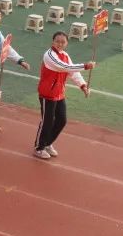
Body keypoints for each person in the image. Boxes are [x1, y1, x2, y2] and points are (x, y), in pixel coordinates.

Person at [35, 32, 94, 160]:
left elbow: (72, 71)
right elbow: (64, 67)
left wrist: (83, 86)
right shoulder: (49, 55)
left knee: (62, 120)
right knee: (47, 121)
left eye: (63, 42)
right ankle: (39, 147)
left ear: (66, 43)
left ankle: (48, 143)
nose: (60, 44)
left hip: (59, 93)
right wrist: (86, 66)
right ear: (53, 41)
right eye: (57, 41)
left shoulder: (65, 55)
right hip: (47, 93)